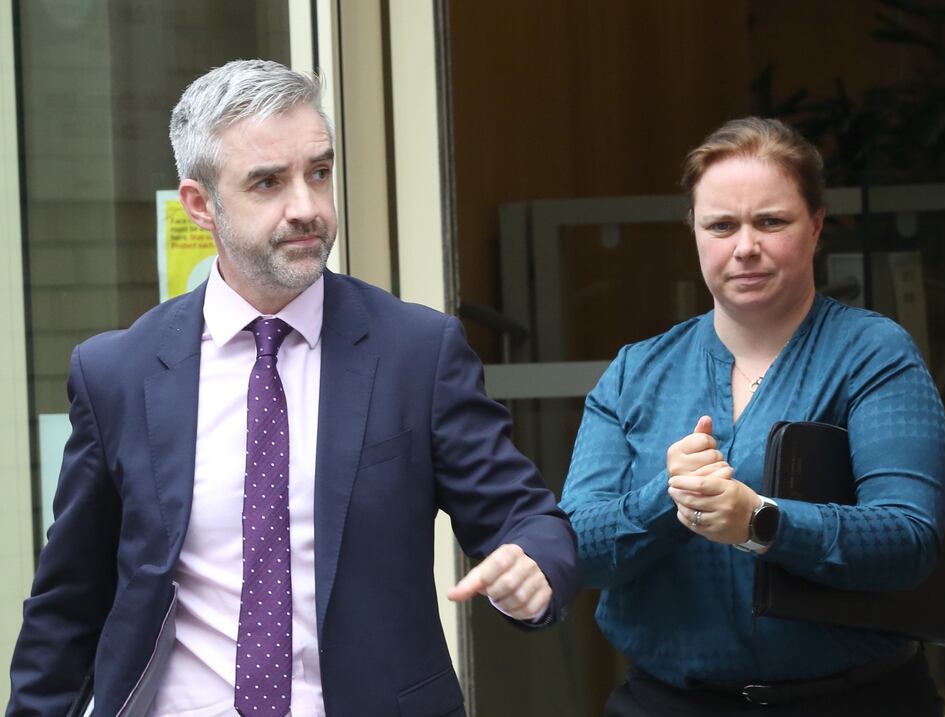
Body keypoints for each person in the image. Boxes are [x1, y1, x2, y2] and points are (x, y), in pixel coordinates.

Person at [7, 59, 578, 717]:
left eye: (319, 172)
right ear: (200, 205)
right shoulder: (118, 373)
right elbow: (67, 603)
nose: (305, 207)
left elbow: (525, 516)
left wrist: (534, 565)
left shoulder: (415, 353)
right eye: (267, 183)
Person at [559, 117, 945, 716]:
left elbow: (908, 538)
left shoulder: (872, 353)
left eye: (771, 221)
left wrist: (761, 521)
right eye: (721, 225)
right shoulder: (637, 372)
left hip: (852, 700)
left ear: (816, 226)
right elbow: (576, 545)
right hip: (669, 703)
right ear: (694, 233)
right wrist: (670, 498)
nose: (745, 246)